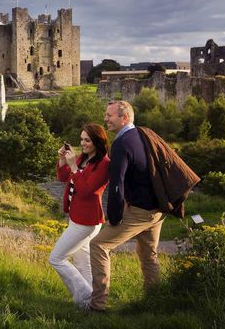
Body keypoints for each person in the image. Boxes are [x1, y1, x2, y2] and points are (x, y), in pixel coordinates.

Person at [89, 100, 165, 312]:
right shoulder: (142, 134)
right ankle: (156, 301)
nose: (105, 119)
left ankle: (98, 305)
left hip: (141, 210)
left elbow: (117, 184)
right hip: (157, 208)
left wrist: (114, 216)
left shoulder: (122, 143)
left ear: (125, 118)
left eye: (109, 115)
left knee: (99, 245)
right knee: (148, 253)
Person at [49, 123, 110, 310]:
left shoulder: (104, 164)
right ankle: (93, 303)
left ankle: (85, 300)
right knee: (81, 261)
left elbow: (85, 190)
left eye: (87, 140)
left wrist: (74, 166)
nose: (83, 143)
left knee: (56, 258)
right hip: (77, 217)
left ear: (97, 142)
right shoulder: (84, 158)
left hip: (87, 220)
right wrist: (63, 160)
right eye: (81, 139)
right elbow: (62, 177)